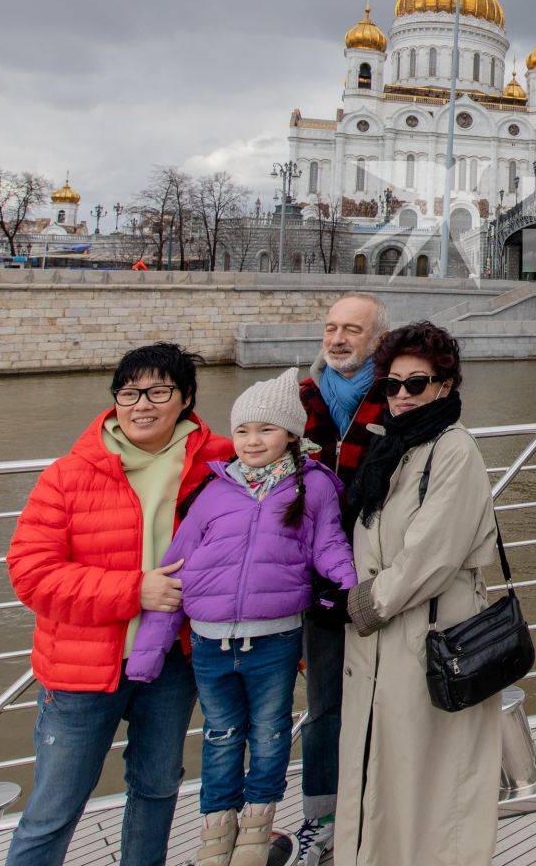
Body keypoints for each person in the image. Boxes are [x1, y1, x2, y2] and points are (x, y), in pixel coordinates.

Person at [4, 343, 235, 866]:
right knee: (53, 808)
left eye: (158, 391)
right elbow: (31, 574)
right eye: (128, 393)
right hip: (82, 670)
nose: (141, 405)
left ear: (187, 398)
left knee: (156, 789)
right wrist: (134, 590)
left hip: (174, 663)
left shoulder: (221, 462)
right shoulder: (69, 475)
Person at [126, 368, 358, 866]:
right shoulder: (214, 493)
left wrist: (352, 592)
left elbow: (330, 547)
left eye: (266, 429)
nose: (253, 441)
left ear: (293, 435)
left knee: (272, 732)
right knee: (221, 735)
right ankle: (216, 839)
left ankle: (256, 834)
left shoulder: (312, 488)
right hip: (210, 643)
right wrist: (147, 654)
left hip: (274, 639)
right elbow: (175, 572)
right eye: (243, 431)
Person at [337, 321, 500, 866]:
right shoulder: (392, 447)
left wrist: (362, 604)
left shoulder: (454, 451)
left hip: (427, 636)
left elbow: (430, 557)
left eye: (417, 383)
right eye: (392, 384)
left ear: (445, 386)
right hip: (381, 643)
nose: (402, 396)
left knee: (432, 779)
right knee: (381, 769)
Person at [289, 293, 388, 864]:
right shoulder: (297, 400)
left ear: (377, 340)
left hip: (385, 578)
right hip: (318, 582)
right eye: (330, 327)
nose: (338, 338)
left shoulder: (401, 396)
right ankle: (321, 819)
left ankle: (381, 806)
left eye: (353, 329)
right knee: (325, 704)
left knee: (390, 697)